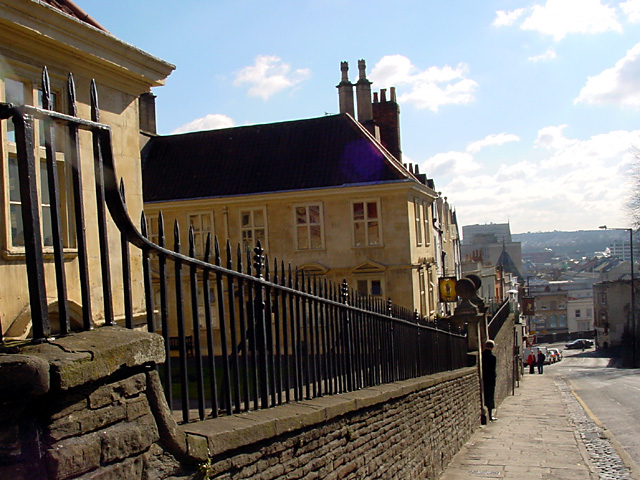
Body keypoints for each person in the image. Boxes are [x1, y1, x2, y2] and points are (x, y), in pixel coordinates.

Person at [482, 340, 497, 421]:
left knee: (485, 396)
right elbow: (492, 370)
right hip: (490, 380)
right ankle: (490, 415)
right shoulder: (492, 357)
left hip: (483, 378)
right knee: (490, 397)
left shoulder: (482, 356)